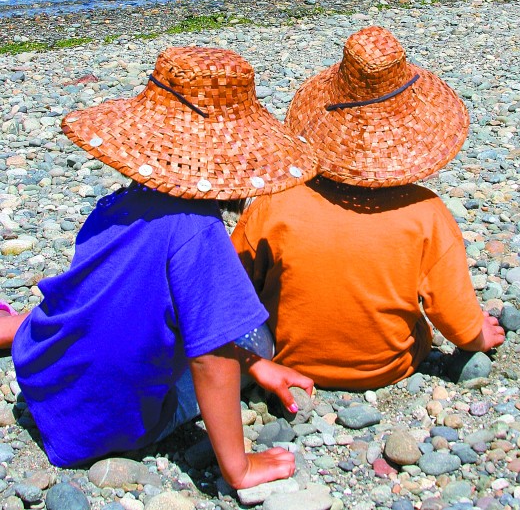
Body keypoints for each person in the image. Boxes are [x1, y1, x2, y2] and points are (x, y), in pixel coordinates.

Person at [2, 47, 316, 485]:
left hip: (40, 376)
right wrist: (238, 465)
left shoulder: (114, 207)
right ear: (236, 162)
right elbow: (211, 359)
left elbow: (100, 297)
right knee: (240, 343)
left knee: (116, 301)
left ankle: (16, 327)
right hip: (103, 427)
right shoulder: (199, 234)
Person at [231, 26, 505, 391]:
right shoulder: (425, 212)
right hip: (387, 365)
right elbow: (451, 310)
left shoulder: (276, 204)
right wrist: (477, 335)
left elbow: (232, 285)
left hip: (285, 359)